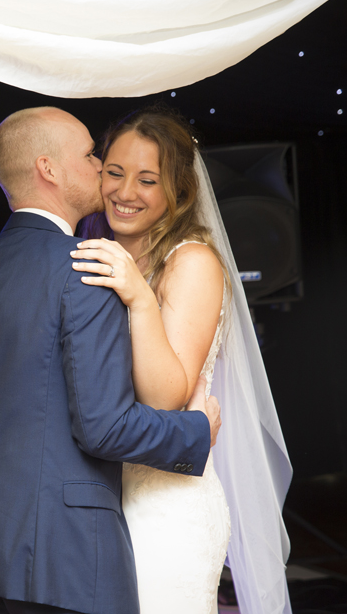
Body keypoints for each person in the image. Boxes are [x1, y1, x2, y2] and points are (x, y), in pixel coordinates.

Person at [0, 107, 222, 614]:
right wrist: (196, 431)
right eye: (97, 158)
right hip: (65, 543)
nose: (102, 171)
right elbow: (103, 428)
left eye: (144, 178)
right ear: (49, 169)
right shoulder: (86, 269)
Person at [72, 108, 292, 613]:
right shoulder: (88, 247)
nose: (125, 192)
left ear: (178, 189)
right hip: (96, 499)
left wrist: (139, 298)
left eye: (147, 180)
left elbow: (165, 397)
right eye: (115, 172)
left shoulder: (191, 262)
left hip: (164, 504)